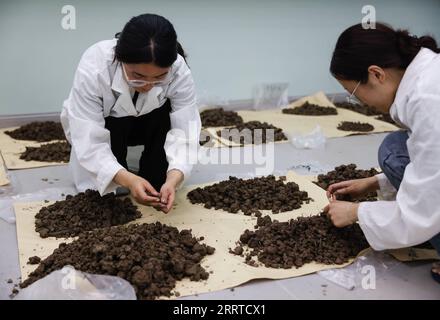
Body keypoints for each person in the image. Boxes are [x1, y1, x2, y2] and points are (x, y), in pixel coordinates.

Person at [324, 22, 440, 283]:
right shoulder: (428, 76)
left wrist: (357, 213)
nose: (360, 102)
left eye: (353, 93)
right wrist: (376, 182)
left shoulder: (429, 100)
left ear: (376, 74)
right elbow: (432, 163)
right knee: (397, 146)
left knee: (392, 149)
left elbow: (428, 203)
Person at [61, 13, 200, 213]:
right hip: (109, 125)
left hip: (152, 122)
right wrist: (128, 179)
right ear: (120, 59)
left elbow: (185, 130)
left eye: (160, 77)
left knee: (158, 183)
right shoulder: (95, 66)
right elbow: (89, 137)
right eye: (138, 77)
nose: (148, 86)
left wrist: (174, 178)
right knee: (103, 193)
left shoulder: (179, 70)